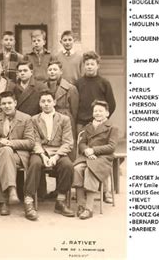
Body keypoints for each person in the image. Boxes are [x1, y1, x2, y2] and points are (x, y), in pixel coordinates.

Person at [75, 51, 116, 204]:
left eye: (92, 64)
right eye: (87, 64)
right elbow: (75, 103)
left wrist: (102, 121)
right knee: (83, 153)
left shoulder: (104, 83)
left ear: (98, 66)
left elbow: (112, 104)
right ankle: (82, 189)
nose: (90, 67)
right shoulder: (78, 83)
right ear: (83, 66)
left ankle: (106, 191)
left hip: (99, 124)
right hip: (82, 123)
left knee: (101, 157)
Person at [29, 91, 75, 220]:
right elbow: (34, 140)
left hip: (58, 151)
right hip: (40, 151)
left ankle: (60, 201)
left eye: (49, 101)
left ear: (54, 102)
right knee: (34, 164)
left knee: (67, 166)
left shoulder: (64, 119)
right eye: (43, 101)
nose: (46, 104)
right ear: (39, 103)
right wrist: (43, 156)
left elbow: (68, 142)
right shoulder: (34, 119)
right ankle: (29, 201)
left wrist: (56, 157)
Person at [73, 100, 119, 220]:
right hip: (88, 156)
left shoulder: (112, 128)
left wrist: (93, 150)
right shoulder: (87, 127)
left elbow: (112, 147)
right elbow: (82, 143)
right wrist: (86, 151)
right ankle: (81, 205)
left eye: (100, 111)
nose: (98, 113)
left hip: (103, 158)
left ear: (107, 113)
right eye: (95, 111)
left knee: (90, 170)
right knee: (77, 168)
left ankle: (89, 208)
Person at [0, 91, 35, 216]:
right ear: (0, 105)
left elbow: (30, 142)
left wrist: (10, 143)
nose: (7, 106)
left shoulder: (26, 118)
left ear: (15, 103)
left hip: (19, 156)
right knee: (5, 153)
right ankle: (11, 189)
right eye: (4, 103)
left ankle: (3, 202)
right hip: (1, 151)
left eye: (9, 103)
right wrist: (0, 143)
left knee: (3, 159)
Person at [45, 60, 79, 153]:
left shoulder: (70, 88)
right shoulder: (43, 87)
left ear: (61, 71)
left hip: (65, 118)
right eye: (50, 69)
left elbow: (75, 110)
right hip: (47, 117)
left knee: (67, 143)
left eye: (55, 69)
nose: (52, 72)